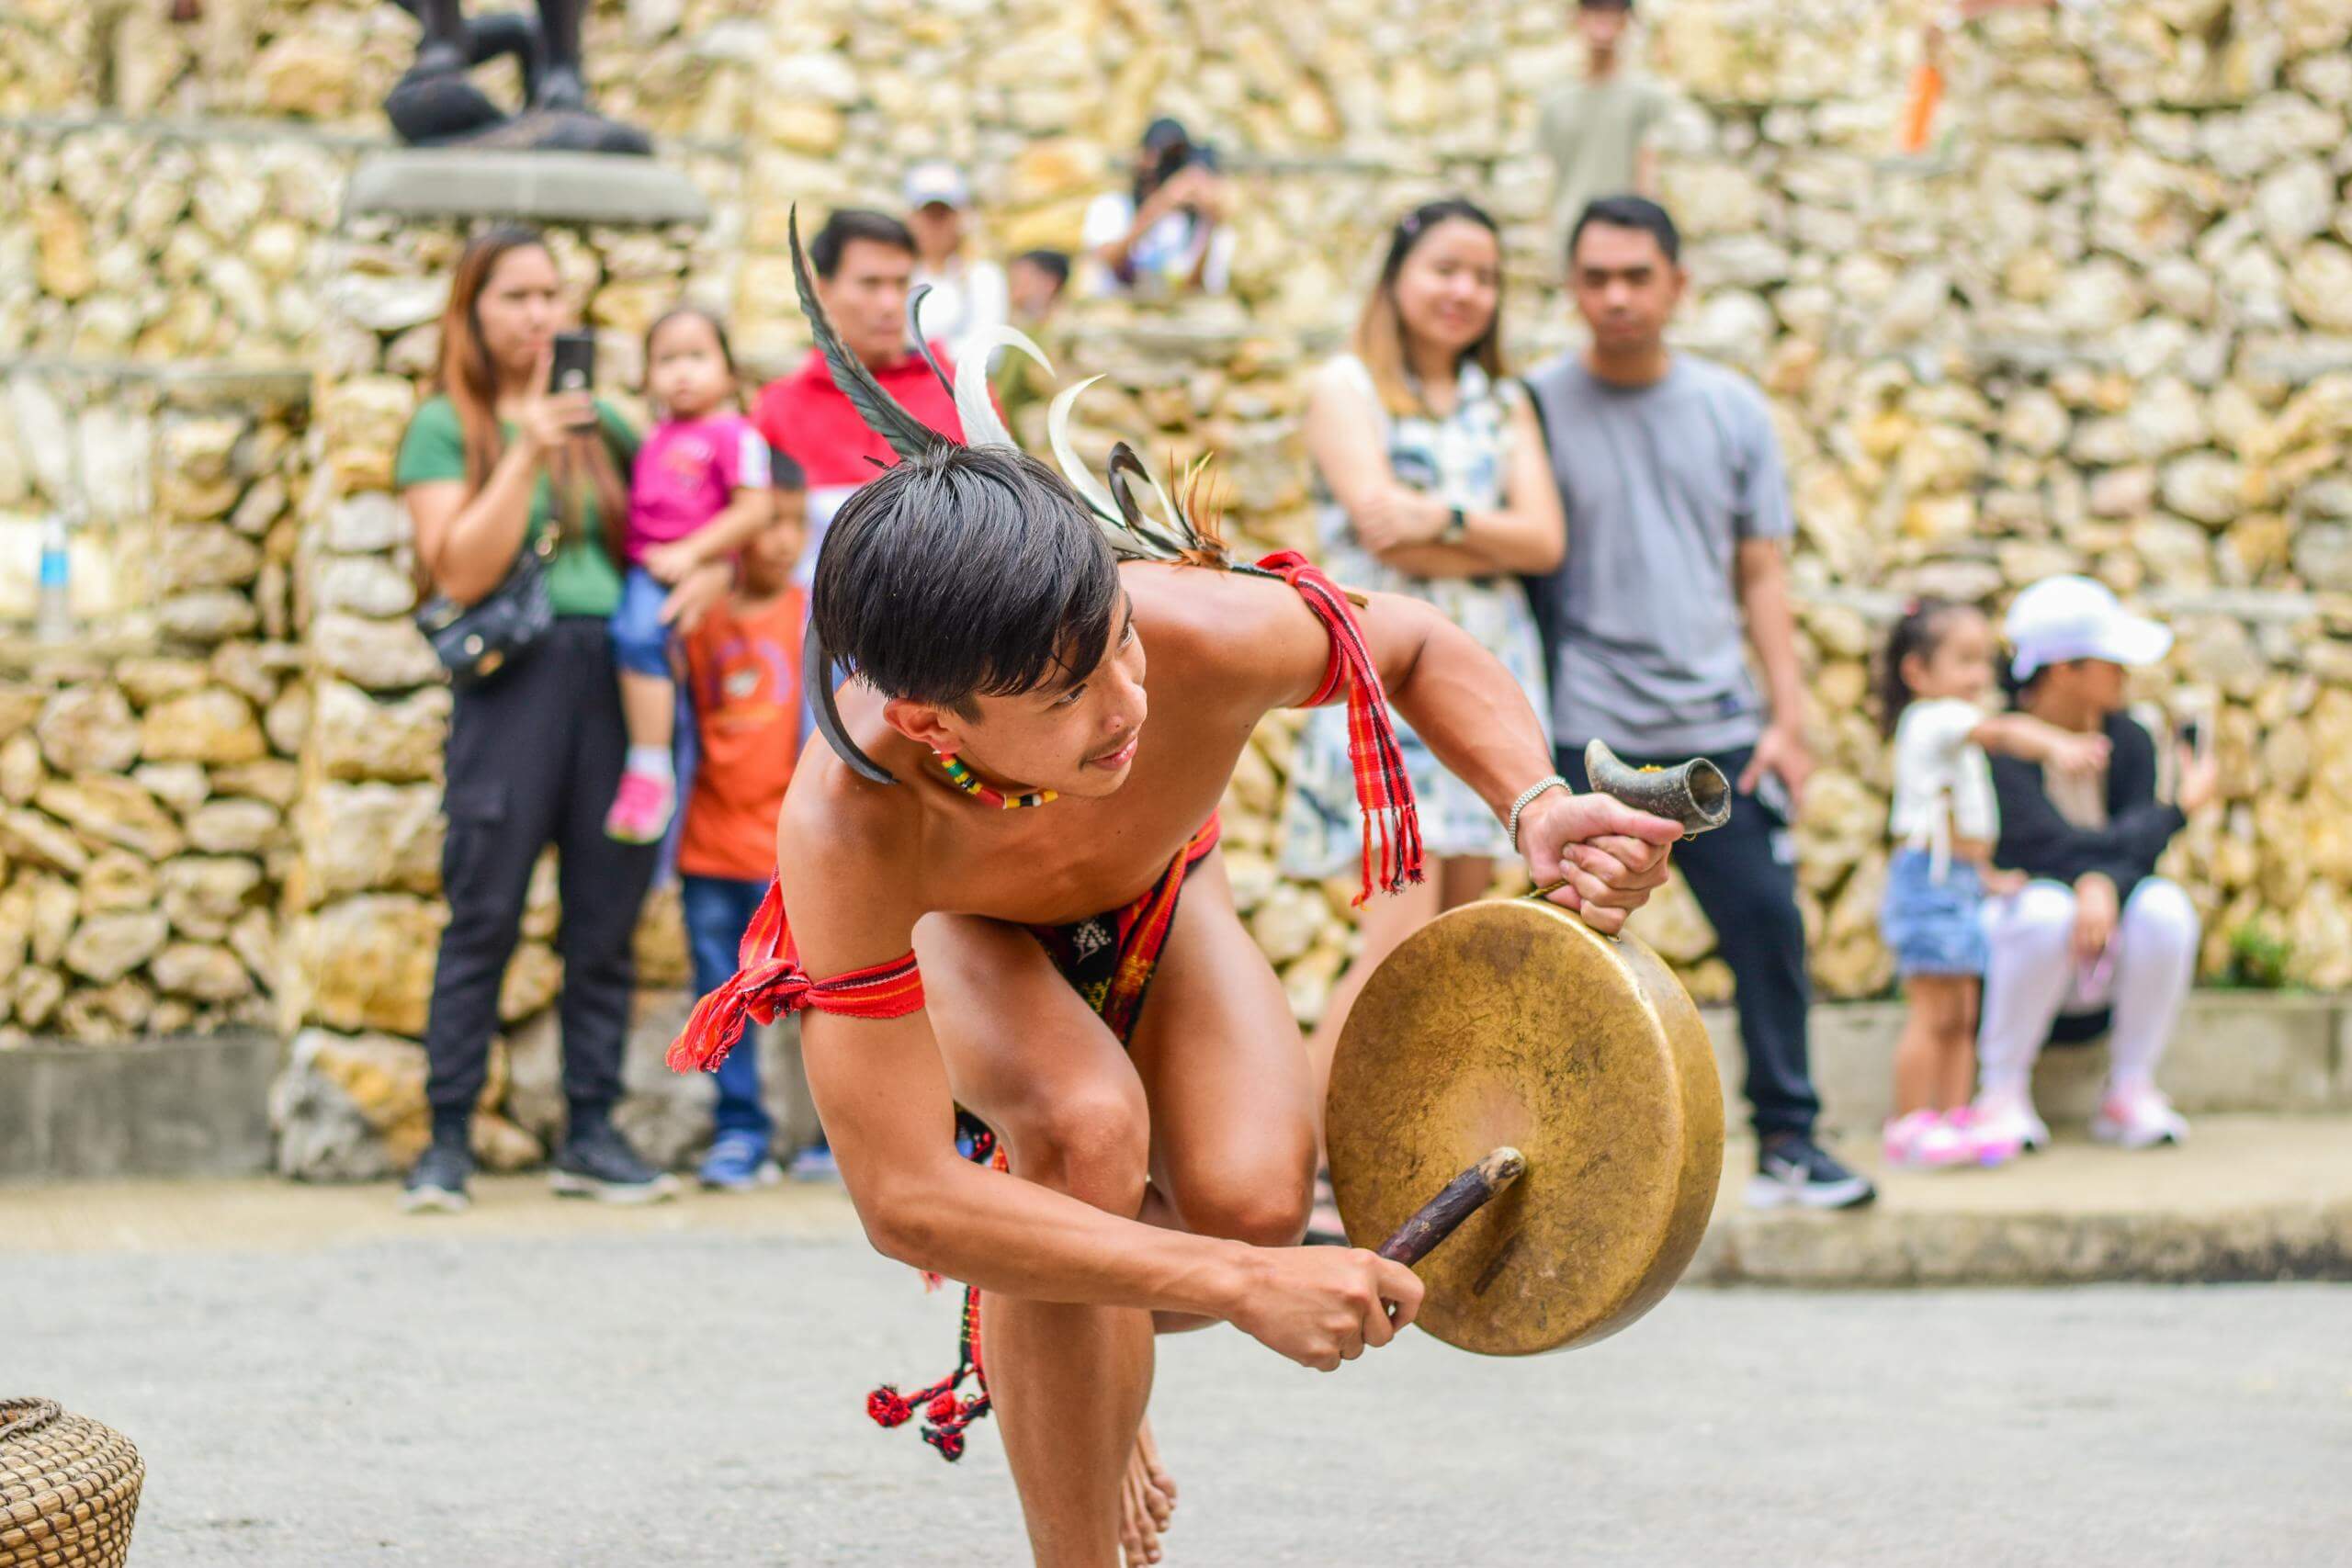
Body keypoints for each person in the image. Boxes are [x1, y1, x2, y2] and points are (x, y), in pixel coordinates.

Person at [669, 259, 1685, 1567]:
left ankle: (1068, 1325)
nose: (1128, 706)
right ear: (931, 724)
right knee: (1086, 1131)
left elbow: (1421, 644)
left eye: (1120, 647)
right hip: (971, 930)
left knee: (1255, 1203)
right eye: (1066, 698)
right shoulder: (854, 817)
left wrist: (1535, 800)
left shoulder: (1188, 627)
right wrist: (1229, 1292)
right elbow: (905, 1198)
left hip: (1166, 886)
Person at [1525, 196, 1873, 1211]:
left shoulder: (1731, 409)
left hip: (1716, 733)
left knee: (1768, 928)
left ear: (1677, 285)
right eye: (1596, 278)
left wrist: (1788, 718)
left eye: (1637, 276)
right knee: (1568, 948)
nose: (1616, 296)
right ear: (1571, 289)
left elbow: (1761, 574)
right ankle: (1562, 1165)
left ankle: (1791, 1143)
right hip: (1588, 729)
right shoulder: (1532, 406)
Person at [394, 226, 707, 1213]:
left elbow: (680, 517)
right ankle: (445, 1140)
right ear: (472, 312)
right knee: (483, 911)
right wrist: (525, 450)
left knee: (604, 921)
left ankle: (593, 1131)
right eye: (514, 298)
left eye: (549, 298)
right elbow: (458, 566)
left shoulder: (607, 426)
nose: (537, 317)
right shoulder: (448, 424)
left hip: (613, 683)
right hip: (510, 686)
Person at [1275, 198, 1566, 1240]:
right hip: (1386, 681)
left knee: (1460, 943)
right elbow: (1370, 527)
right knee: (1393, 941)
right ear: (1399, 272)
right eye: (1445, 268)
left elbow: (1541, 540)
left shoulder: (1504, 401)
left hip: (1484, 677)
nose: (1463, 292)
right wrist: (1471, 535)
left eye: (1483, 276)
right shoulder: (1344, 386)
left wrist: (1437, 521)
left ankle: (1406, 1155)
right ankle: (1298, 1169)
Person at [1974, 575, 2220, 1153]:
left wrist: (2103, 881)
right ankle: (2000, 1092)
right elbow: (2036, 843)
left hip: (2097, 952)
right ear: (2064, 670)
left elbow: (2137, 846)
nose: (2125, 675)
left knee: (2165, 907)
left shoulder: (2129, 738)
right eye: (2111, 661)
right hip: (2013, 950)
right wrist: (2177, 810)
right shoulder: (2005, 742)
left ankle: (2130, 1089)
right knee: (2044, 907)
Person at [1874, 598, 2109, 1169]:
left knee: (1963, 1014)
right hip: (1928, 885)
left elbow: (1956, 815)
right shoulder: (1935, 718)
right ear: (1918, 673)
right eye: (1964, 661)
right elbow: (2003, 732)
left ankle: (1956, 1119)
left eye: (1985, 661)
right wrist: (2058, 744)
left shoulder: (1955, 732)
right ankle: (1909, 1125)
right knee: (1933, 1012)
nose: (1980, 676)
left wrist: (1984, 876)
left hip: (1957, 881)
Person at [678, 464, 807, 1191]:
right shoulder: (703, 617)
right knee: (719, 990)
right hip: (708, 843)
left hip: (786, 853)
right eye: (768, 521)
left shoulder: (814, 616)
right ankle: (739, 1129)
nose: (783, 539)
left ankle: (819, 1134)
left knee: (812, 991)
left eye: (795, 521)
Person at [605, 307, 773, 845]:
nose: (682, 372)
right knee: (639, 644)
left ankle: (649, 770)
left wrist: (695, 554)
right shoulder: (654, 435)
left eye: (697, 357)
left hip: (692, 570)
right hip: (649, 567)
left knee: (639, 638)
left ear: (728, 370)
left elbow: (754, 511)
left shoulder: (735, 435)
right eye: (667, 359)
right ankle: (652, 772)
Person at [752, 209, 966, 582]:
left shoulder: (958, 393)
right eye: (870, 284)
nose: (888, 304)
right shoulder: (778, 408)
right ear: (823, 290)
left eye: (901, 284)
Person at [1534, 0, 1668, 265]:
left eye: (1614, 12)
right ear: (1578, 18)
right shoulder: (1554, 103)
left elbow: (1650, 170)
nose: (1604, 22)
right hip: (1569, 237)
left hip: (1626, 234)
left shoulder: (1646, 98)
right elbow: (1547, 179)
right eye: (1596, 11)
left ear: (1627, 22)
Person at [1082, 117, 1235, 299]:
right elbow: (1107, 260)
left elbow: (1194, 289)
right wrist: (1160, 204)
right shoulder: (1112, 207)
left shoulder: (1192, 225)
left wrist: (1209, 221)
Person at [903, 161, 1008, 355]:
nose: (935, 224)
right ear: (911, 218)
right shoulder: (896, 275)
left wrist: (913, 355)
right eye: (928, 215)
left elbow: (990, 352)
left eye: (943, 214)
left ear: (961, 218)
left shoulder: (983, 276)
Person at [1007, 248, 1071, 329]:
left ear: (1048, 283)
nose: (1013, 290)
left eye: (1019, 281)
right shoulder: (1012, 322)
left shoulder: (1068, 328)